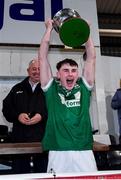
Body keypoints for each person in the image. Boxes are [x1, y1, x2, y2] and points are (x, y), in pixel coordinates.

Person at [38, 18, 97, 173]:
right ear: (58, 74)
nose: (70, 74)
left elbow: (91, 58)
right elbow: (42, 59)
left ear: (77, 73)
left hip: (83, 149)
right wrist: (49, 29)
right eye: (66, 70)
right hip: (58, 150)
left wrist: (86, 32)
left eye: (73, 71)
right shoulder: (51, 89)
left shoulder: (84, 87)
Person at [2, 59, 48, 173]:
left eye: (39, 69)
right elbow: (6, 108)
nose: (37, 71)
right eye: (34, 69)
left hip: (43, 140)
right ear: (28, 71)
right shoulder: (17, 88)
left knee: (43, 172)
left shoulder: (49, 89)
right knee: (20, 172)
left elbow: (56, 110)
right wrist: (18, 115)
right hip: (20, 140)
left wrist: (42, 116)